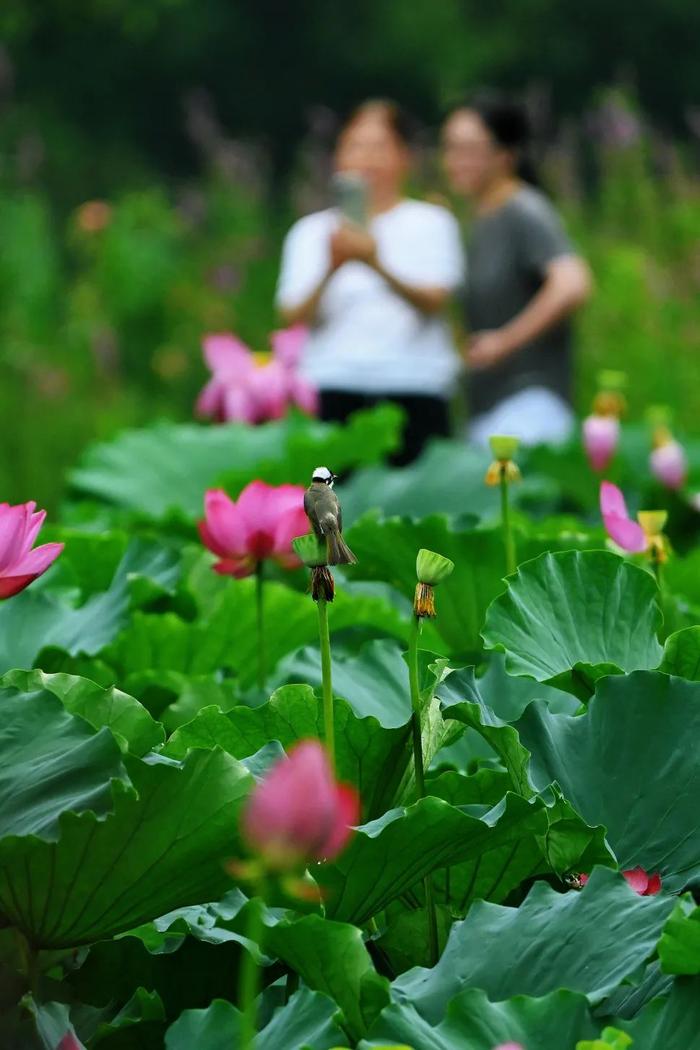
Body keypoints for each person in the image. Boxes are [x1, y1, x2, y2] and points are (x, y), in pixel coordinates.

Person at [276, 100, 465, 465]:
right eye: (355, 146)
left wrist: (375, 262)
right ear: (337, 157)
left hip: (414, 386)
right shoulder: (310, 232)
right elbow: (291, 316)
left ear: (405, 157)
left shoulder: (432, 222)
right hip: (332, 384)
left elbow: (436, 300)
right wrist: (332, 266)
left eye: (379, 147)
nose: (367, 159)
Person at [442, 92, 592, 447]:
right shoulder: (480, 219)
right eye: (449, 147)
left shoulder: (525, 210)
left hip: (529, 406)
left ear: (505, 154)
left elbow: (572, 282)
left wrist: (504, 342)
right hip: (489, 409)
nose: (455, 161)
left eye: (469, 149)